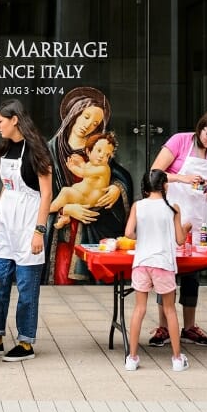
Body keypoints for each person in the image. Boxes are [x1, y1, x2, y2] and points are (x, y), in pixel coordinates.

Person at [147, 109, 207, 348]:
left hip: (198, 219)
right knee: (166, 269)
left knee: (192, 272)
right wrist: (182, 178)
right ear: (201, 127)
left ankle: (189, 326)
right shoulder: (180, 141)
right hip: (170, 215)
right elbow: (154, 174)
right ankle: (163, 326)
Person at [45, 87, 133, 284]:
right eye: (85, 117)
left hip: (92, 225)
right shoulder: (50, 150)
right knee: (61, 276)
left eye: (95, 123)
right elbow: (38, 189)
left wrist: (117, 188)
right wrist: (66, 209)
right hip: (64, 231)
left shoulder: (97, 151)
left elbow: (120, 175)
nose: (88, 125)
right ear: (74, 113)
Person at [0, 99, 52, 362]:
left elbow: (47, 194)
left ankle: (26, 342)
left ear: (15, 119)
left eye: (0, 122)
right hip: (6, 224)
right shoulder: (6, 149)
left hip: (28, 224)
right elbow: (6, 185)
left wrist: (39, 231)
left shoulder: (38, 150)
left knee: (27, 287)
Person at [122, 170, 190, 372]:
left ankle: (132, 357)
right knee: (169, 310)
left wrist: (142, 235)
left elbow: (128, 233)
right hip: (163, 263)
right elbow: (180, 240)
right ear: (165, 185)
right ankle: (177, 359)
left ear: (144, 187)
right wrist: (185, 228)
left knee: (139, 309)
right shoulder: (172, 208)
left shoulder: (138, 206)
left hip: (142, 261)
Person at [50, 132, 117, 228]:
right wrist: (81, 162)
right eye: (99, 150)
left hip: (89, 201)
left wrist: (72, 167)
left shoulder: (103, 169)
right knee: (71, 191)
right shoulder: (91, 164)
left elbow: (83, 173)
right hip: (83, 197)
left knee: (66, 192)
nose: (102, 156)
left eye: (107, 155)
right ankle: (65, 217)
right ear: (88, 152)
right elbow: (85, 168)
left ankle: (48, 209)